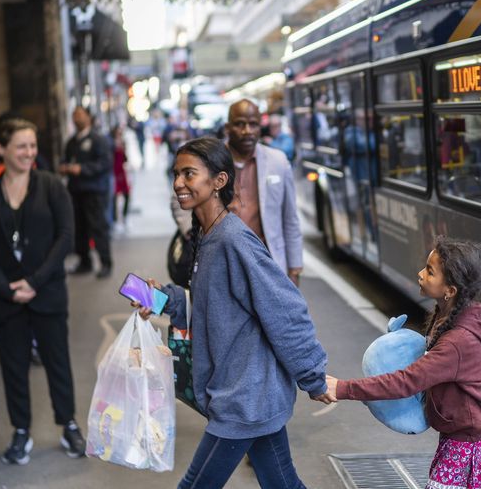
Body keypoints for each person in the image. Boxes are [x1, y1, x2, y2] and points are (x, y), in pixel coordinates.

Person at [136, 137, 333, 488]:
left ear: (219, 181)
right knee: (283, 483)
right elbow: (208, 309)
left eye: (189, 174)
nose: (179, 182)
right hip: (245, 393)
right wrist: (159, 300)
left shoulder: (233, 241)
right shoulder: (207, 237)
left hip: (244, 396)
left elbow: (286, 309)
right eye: (176, 173)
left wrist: (312, 375)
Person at [325, 237, 481, 489]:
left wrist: (342, 388)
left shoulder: (456, 342)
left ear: (450, 290)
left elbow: (406, 381)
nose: (421, 274)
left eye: (430, 271)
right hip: (460, 435)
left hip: (469, 443)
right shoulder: (447, 316)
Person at [0, 118, 86, 466]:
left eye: (32, 145)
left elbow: (66, 237)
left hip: (47, 292)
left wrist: (34, 282)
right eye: (21, 146)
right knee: (13, 367)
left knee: (58, 363)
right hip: (6, 300)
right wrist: (5, 289)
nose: (29, 152)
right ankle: (21, 430)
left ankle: (67, 423)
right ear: (1, 150)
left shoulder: (52, 186)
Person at [225, 99, 304, 285]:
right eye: (239, 124)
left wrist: (294, 269)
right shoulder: (211, 159)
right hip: (225, 266)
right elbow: (181, 200)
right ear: (228, 127)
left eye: (253, 124)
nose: (247, 131)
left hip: (269, 265)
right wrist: (189, 231)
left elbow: (290, 219)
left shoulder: (278, 161)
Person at [59, 106, 113, 278]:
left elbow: (104, 164)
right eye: (74, 115)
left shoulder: (98, 140)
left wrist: (82, 169)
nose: (77, 118)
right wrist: (65, 168)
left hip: (94, 191)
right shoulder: (71, 142)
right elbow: (65, 160)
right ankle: (85, 261)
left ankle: (105, 262)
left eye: (80, 115)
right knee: (79, 228)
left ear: (89, 117)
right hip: (75, 192)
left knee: (97, 227)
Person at [111, 126, 131, 230]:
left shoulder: (122, 143)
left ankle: (124, 216)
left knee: (126, 194)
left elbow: (125, 159)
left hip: (122, 173)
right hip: (114, 173)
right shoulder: (111, 145)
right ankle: (114, 220)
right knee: (114, 197)